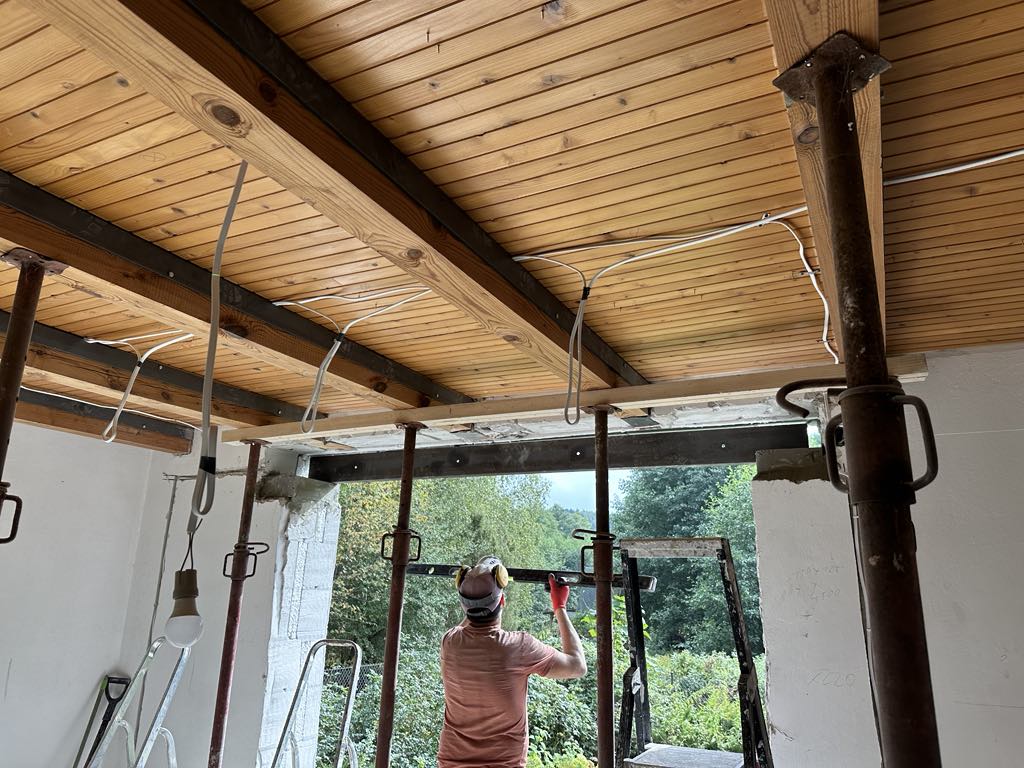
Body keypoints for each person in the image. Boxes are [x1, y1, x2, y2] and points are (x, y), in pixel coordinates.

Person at [437, 555, 587, 768]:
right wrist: (560, 607)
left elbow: (467, 623)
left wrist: (475, 589)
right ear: (502, 601)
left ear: (463, 606)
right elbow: (577, 666)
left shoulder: (450, 642)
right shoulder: (519, 646)